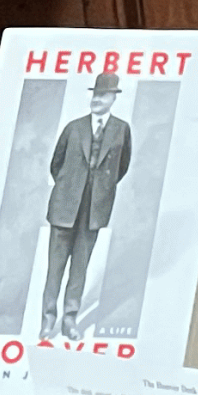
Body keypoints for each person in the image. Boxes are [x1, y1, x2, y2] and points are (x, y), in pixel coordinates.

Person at [40, 72, 133, 341]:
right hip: (64, 209)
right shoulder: (74, 127)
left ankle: (70, 319)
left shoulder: (121, 130)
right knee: (55, 267)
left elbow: (122, 167)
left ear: (113, 98)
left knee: (80, 267)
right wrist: (70, 189)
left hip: (94, 212)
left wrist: (99, 191)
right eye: (95, 94)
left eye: (103, 95)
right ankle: (48, 319)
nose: (97, 99)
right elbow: (56, 164)